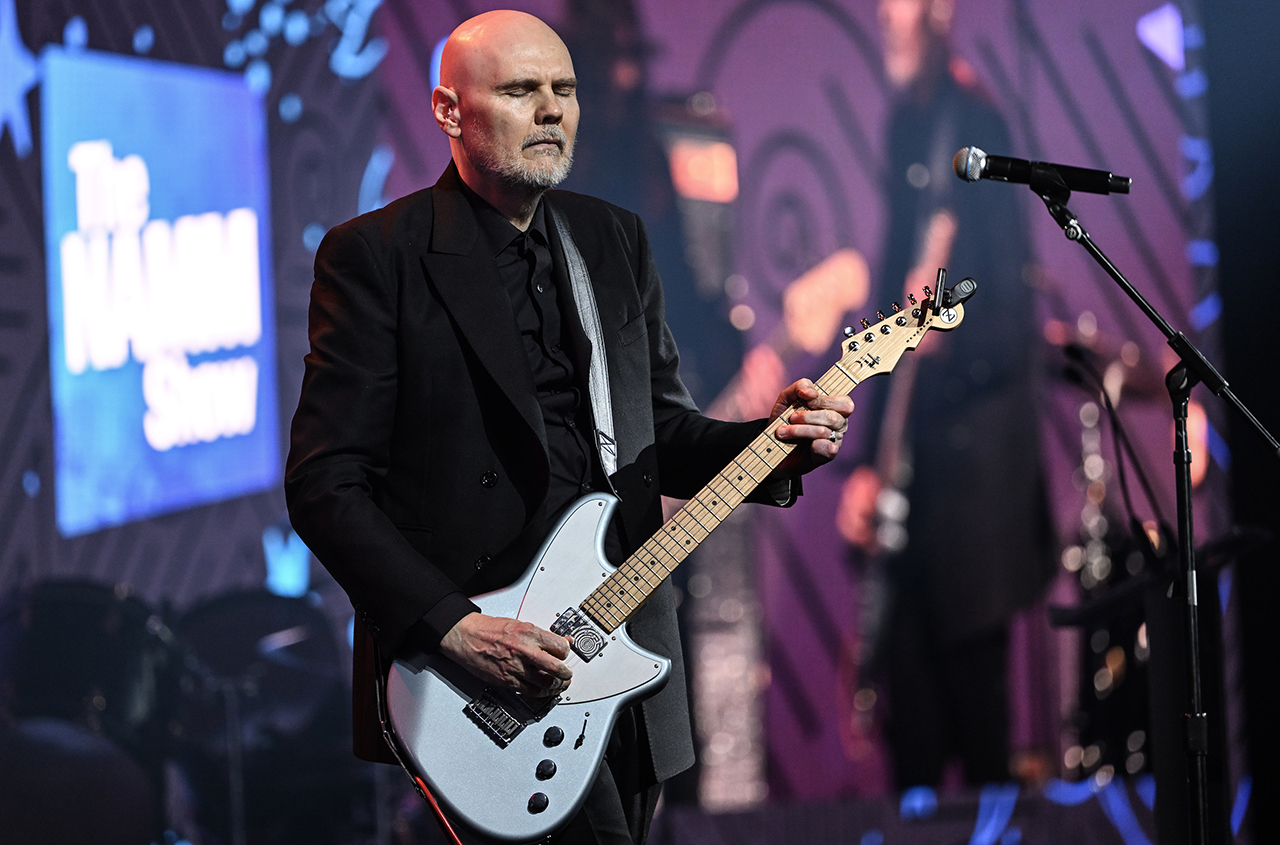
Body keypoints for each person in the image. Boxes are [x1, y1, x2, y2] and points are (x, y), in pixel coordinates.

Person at [284, 10, 853, 844]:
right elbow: (325, 484)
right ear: (449, 111)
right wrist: (451, 626)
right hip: (482, 678)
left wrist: (774, 441)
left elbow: (658, 430)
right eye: (521, 91)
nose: (552, 110)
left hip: (622, 650)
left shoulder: (611, 237)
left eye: (564, 90)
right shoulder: (377, 255)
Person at [837, 0, 1054, 789]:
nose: (886, 19)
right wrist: (864, 457)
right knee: (913, 729)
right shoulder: (906, 125)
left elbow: (1009, 321)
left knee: (979, 720)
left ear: (939, 10)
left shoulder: (977, 122)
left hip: (975, 491)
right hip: (914, 472)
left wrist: (945, 335)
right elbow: (889, 299)